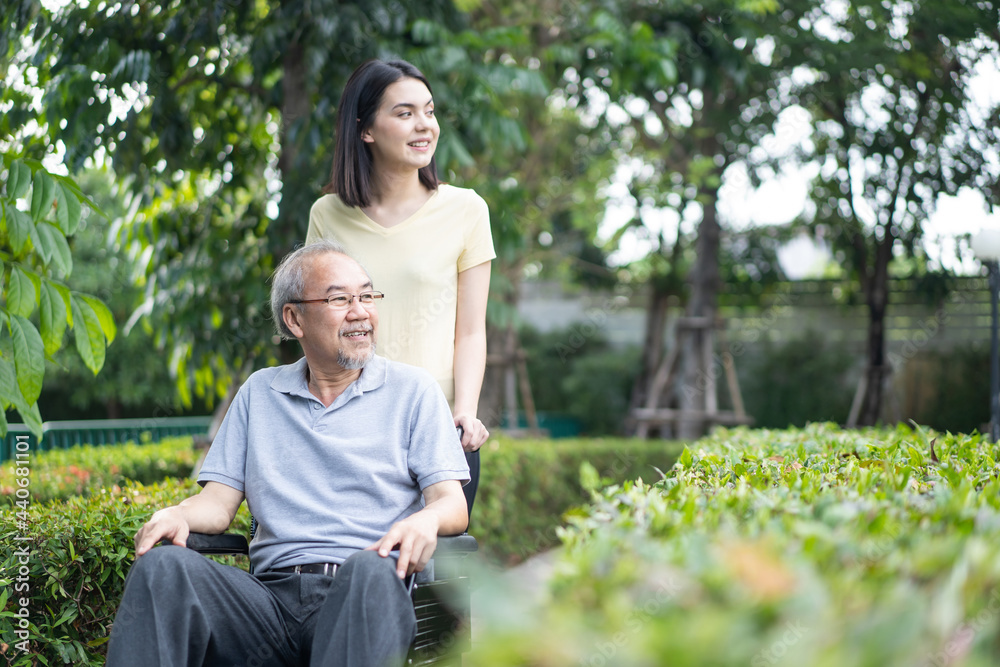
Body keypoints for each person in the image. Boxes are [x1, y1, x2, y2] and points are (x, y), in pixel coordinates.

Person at [106, 240, 470, 667]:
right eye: (339, 298)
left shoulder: (414, 391)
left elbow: (452, 503)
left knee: (371, 570)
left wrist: (425, 520)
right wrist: (177, 514)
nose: (361, 312)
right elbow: (217, 505)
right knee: (163, 568)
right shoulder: (259, 393)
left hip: (360, 594)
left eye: (367, 295)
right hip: (266, 605)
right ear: (294, 318)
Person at [307, 58, 495, 454]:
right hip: (349, 430)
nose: (425, 124)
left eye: (429, 111)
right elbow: (316, 326)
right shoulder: (327, 214)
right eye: (405, 113)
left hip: (438, 428)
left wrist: (465, 412)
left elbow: (471, 330)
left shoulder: (467, 210)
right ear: (366, 130)